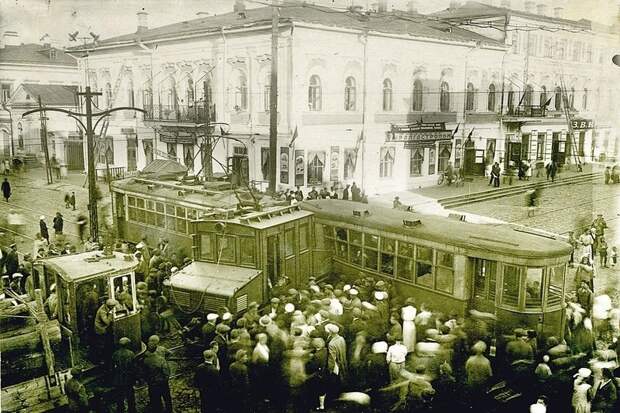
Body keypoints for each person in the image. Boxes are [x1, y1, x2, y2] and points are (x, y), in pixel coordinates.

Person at [143, 335, 173, 413]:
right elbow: (166, 371)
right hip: (162, 382)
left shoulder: (145, 360)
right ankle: (169, 410)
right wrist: (165, 379)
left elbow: (143, 372)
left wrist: (148, 380)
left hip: (152, 383)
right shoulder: (161, 358)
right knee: (167, 398)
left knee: (155, 399)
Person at [112, 337, 137, 413]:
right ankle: (132, 411)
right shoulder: (131, 354)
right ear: (127, 345)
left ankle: (120, 410)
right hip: (128, 380)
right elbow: (134, 368)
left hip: (118, 380)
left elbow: (112, 367)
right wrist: (135, 379)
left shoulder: (115, 354)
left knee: (119, 398)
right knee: (130, 398)